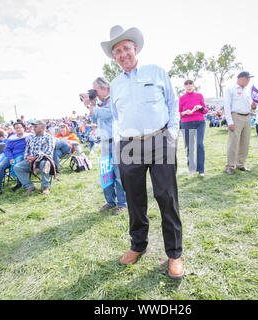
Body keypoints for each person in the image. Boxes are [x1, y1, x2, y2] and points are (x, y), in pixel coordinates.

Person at [102, 25, 183, 279]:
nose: (123, 54)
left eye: (126, 48)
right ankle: (138, 245)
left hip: (160, 140)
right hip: (129, 145)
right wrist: (118, 144)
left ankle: (175, 254)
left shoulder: (156, 72)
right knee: (134, 200)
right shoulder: (114, 85)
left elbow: (173, 105)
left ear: (135, 49)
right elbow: (116, 118)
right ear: (113, 57)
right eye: (117, 51)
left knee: (166, 196)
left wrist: (171, 136)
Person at [82, 76, 127, 215]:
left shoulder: (113, 99)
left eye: (95, 90)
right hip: (105, 142)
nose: (94, 93)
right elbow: (95, 118)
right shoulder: (100, 104)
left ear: (104, 88)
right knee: (105, 172)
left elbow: (107, 115)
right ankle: (110, 201)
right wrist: (92, 104)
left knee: (118, 174)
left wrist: (91, 105)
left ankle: (122, 203)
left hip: (116, 142)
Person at [223, 71, 257, 174]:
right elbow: (227, 106)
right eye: (247, 78)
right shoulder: (231, 89)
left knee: (245, 142)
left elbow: (250, 106)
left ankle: (241, 164)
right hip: (235, 116)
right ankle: (230, 165)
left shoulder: (247, 91)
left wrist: (253, 107)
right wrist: (230, 122)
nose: (248, 81)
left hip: (247, 117)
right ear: (241, 78)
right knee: (233, 143)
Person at [13, 120, 55, 196]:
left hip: (43, 159)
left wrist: (35, 157)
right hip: (30, 160)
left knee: (44, 163)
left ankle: (45, 187)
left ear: (42, 127)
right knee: (17, 167)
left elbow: (48, 151)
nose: (34, 128)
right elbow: (26, 150)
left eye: (36, 126)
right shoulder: (32, 138)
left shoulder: (49, 137)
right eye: (33, 127)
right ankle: (29, 186)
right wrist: (27, 157)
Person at [179, 79, 208, 177]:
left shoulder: (199, 95)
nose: (188, 85)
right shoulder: (182, 98)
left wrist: (201, 107)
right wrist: (184, 112)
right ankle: (191, 167)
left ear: (193, 85)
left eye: (190, 83)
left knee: (200, 144)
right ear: (184, 86)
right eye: (186, 84)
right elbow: (178, 113)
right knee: (190, 146)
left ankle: (201, 170)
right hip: (187, 123)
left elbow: (205, 110)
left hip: (200, 122)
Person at [0, 122, 31, 195]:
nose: (18, 129)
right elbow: (7, 149)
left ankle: (19, 184)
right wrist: (10, 158)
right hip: (10, 156)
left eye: (20, 127)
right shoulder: (11, 138)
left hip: (23, 156)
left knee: (18, 163)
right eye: (16, 128)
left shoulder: (29, 136)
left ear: (24, 128)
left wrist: (29, 140)